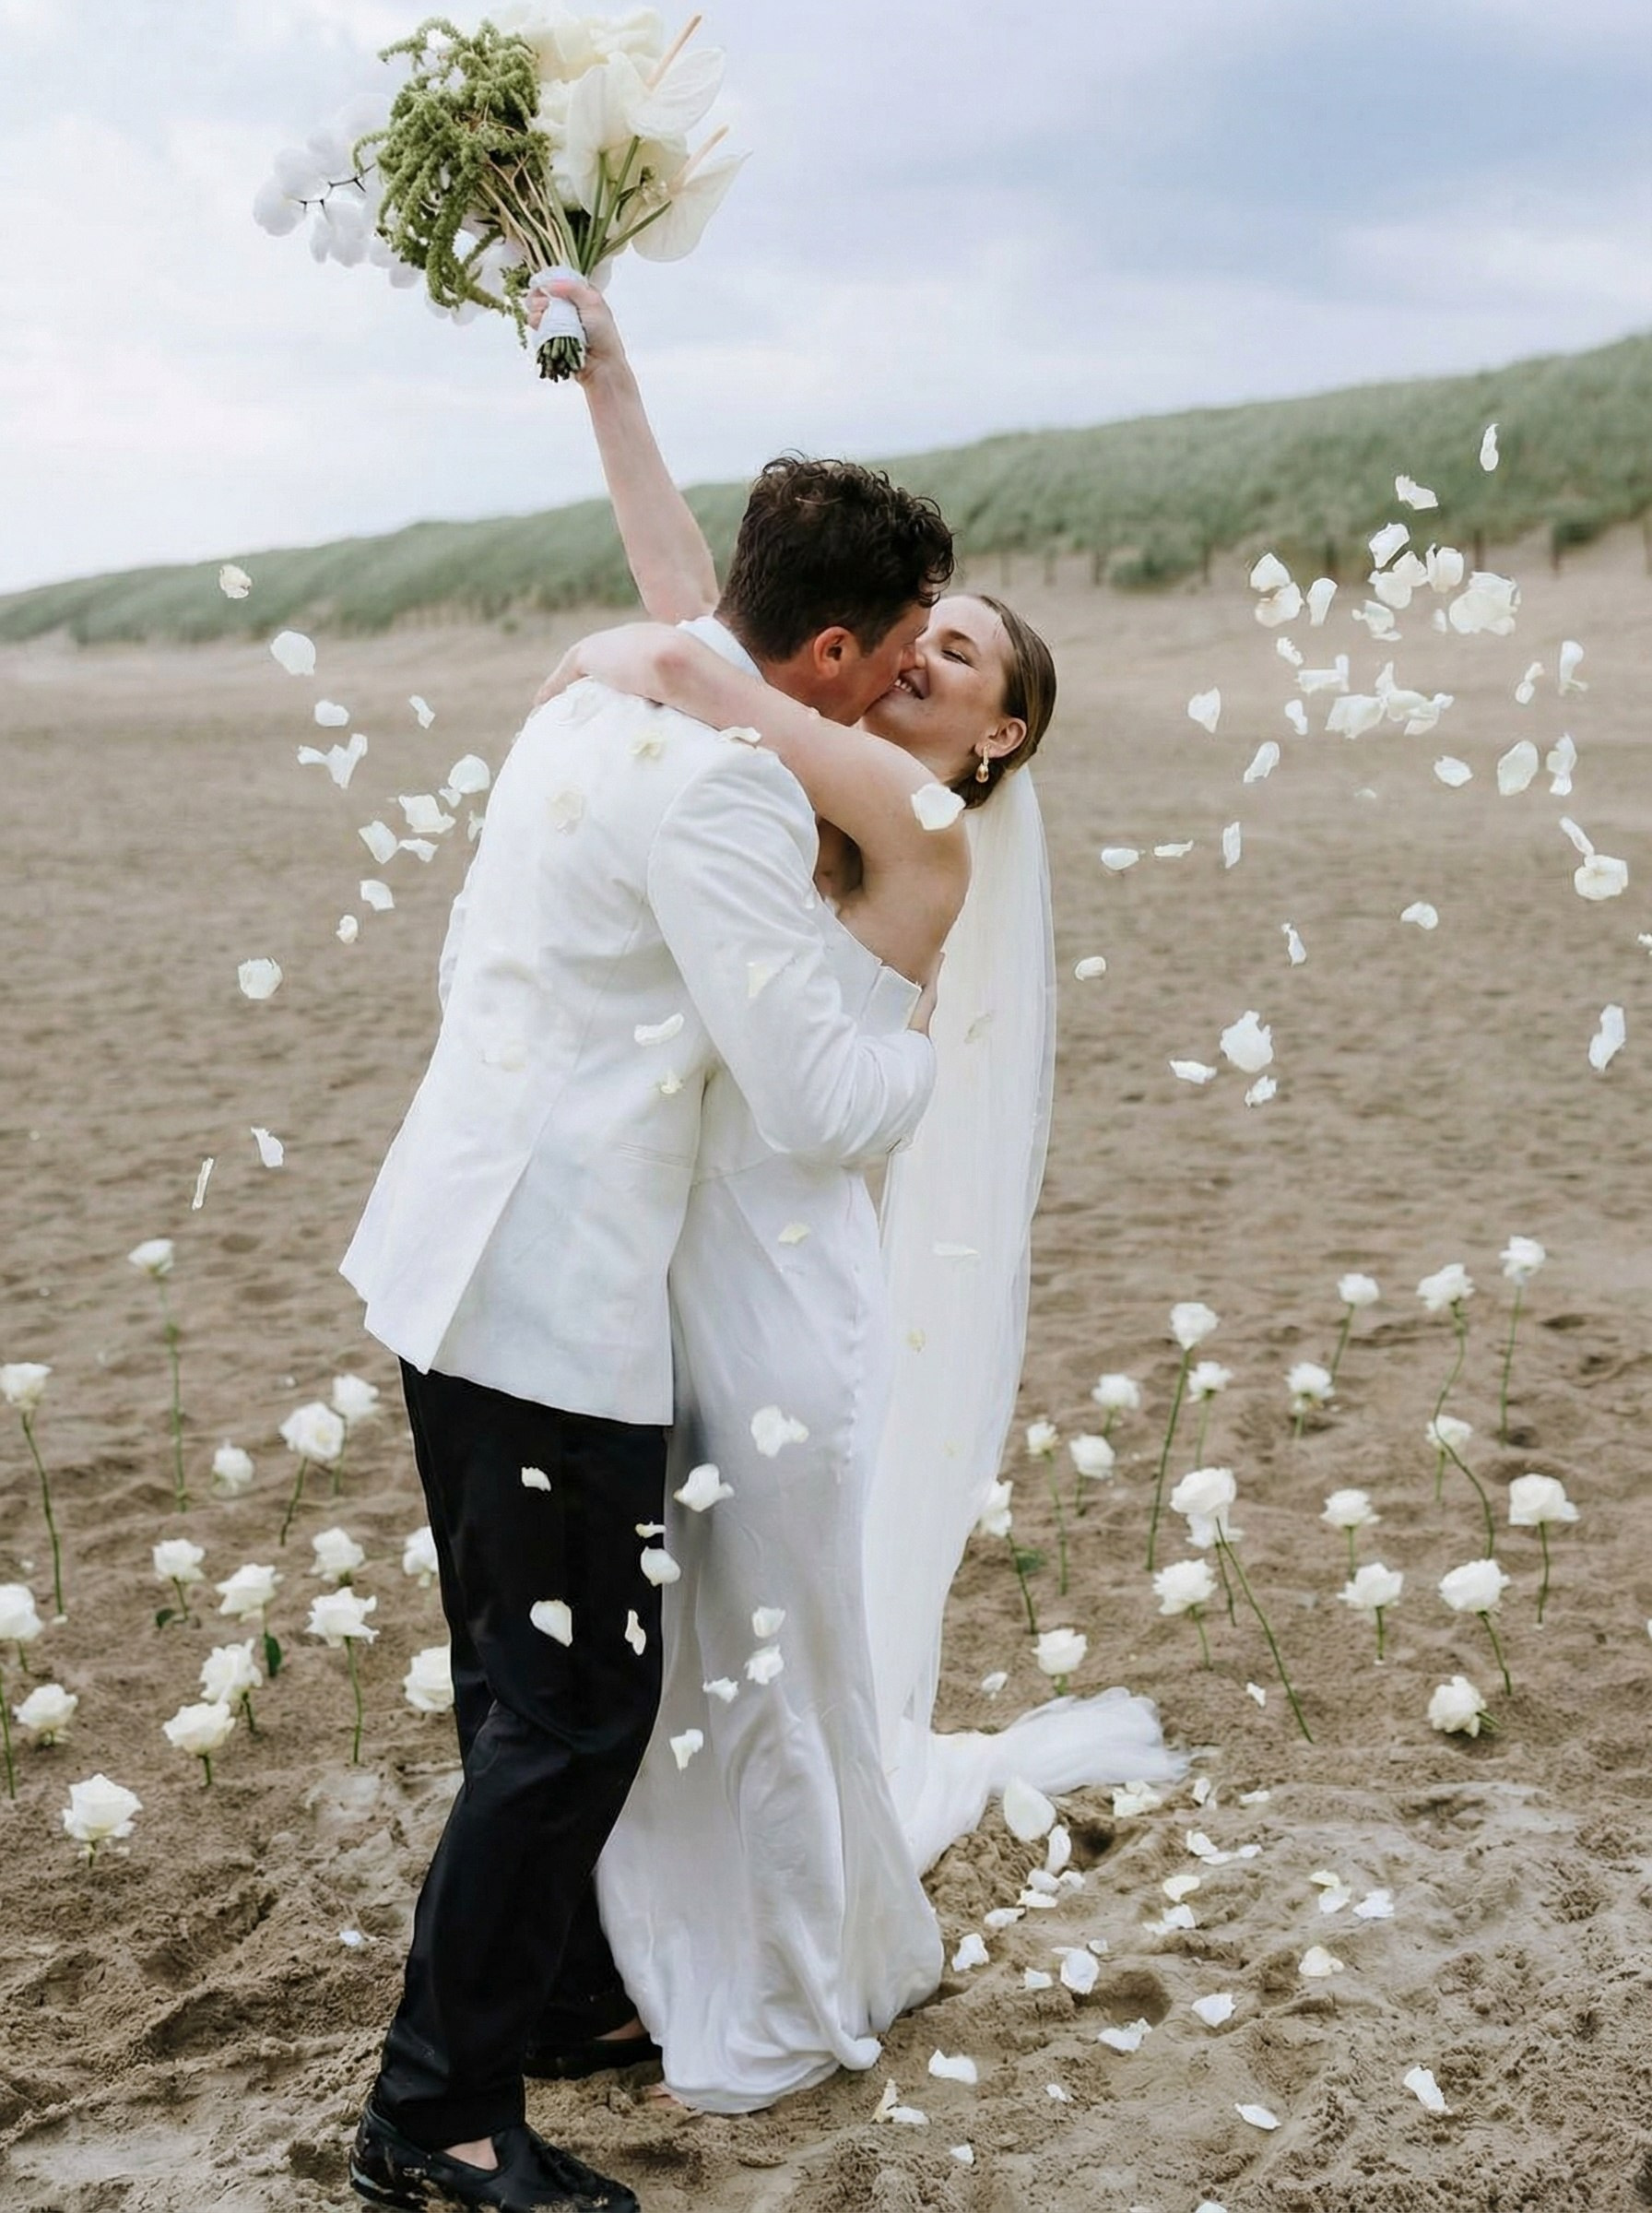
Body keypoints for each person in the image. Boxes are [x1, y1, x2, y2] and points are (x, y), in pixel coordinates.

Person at [525, 278, 1182, 2115]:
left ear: (994, 741)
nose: (918, 658)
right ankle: (638, 1940)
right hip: (687, 1240)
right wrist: (614, 384)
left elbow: (691, 649)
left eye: (960, 660)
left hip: (784, 1264)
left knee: (760, 1645)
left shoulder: (922, 824)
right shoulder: (802, 789)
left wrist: (633, 665)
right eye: (920, 631)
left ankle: (767, 1958)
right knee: (678, 1644)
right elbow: (710, 617)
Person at [337, 420, 956, 2206]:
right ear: (828, 658)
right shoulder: (725, 793)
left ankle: (560, 2001)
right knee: (577, 1709)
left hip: (440, 1240)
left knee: (509, 1681)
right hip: (549, 1295)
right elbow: (814, 1101)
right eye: (899, 643)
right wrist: (923, 1061)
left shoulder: (584, 715)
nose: (902, 675)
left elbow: (470, 961)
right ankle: (433, 2115)